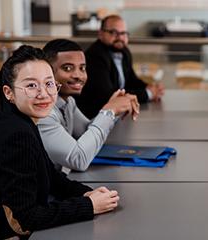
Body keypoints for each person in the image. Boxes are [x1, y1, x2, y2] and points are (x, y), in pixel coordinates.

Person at [0, 45, 120, 239]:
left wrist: (87, 194)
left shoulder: (22, 122)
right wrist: (88, 206)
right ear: (9, 92)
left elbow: (51, 176)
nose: (44, 94)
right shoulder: (15, 135)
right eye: (31, 85)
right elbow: (27, 218)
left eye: (49, 83)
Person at [38, 39, 140, 172]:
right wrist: (108, 112)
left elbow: (86, 134)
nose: (78, 75)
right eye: (67, 68)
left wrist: (115, 109)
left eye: (82, 68)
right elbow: (79, 159)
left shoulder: (68, 102)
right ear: (47, 73)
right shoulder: (43, 113)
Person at [75, 14, 164, 119]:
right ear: (101, 33)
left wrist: (149, 87)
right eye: (113, 32)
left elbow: (131, 80)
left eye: (123, 33)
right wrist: (148, 94)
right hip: (94, 118)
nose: (120, 37)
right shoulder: (95, 56)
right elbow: (109, 96)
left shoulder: (124, 52)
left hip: (115, 115)